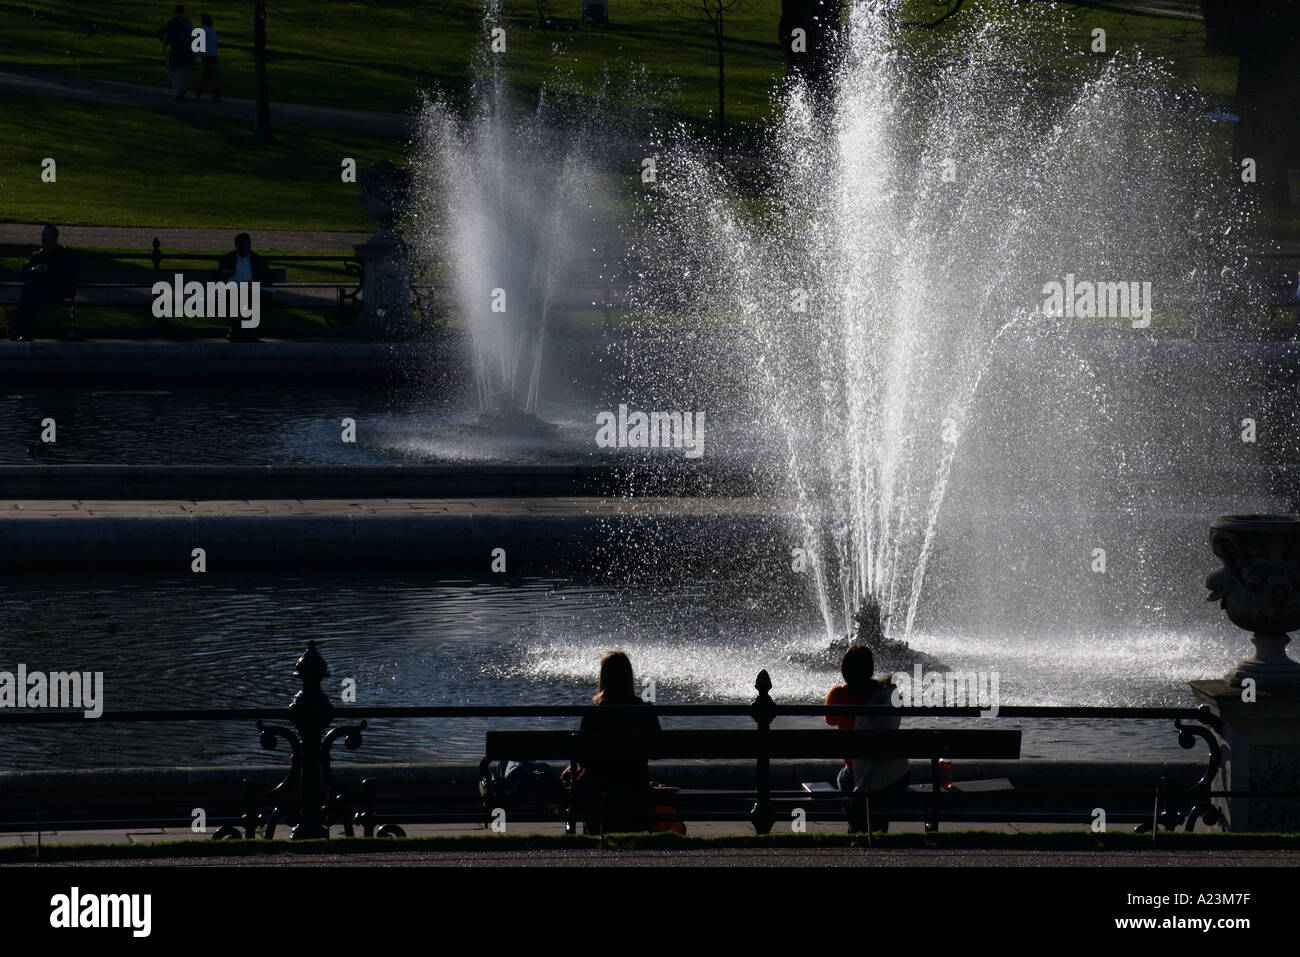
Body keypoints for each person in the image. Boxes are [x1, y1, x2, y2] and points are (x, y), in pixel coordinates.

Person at [572, 651, 660, 834]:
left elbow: (583, 757)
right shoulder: (645, 710)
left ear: (603, 677)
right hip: (636, 786)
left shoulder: (593, 713)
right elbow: (657, 751)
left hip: (600, 790)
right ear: (629, 676)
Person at [825, 644, 910, 832]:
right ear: (870, 668)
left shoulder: (839, 695)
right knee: (875, 777)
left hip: (858, 774)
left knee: (843, 777)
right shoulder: (883, 693)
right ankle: (878, 826)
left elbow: (830, 720)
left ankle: (856, 827)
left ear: (844, 670)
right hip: (894, 776)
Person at [11, 225, 76, 341]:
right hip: (40, 292)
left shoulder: (64, 254)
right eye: (43, 236)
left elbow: (69, 273)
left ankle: (24, 330)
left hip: (57, 290)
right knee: (30, 292)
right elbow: (22, 274)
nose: (43, 239)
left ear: (55, 238)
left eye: (47, 236)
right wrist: (34, 270)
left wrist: (49, 269)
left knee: (29, 292)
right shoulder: (37, 255)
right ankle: (26, 331)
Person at [216, 233, 274, 341]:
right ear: (236, 246)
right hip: (234, 289)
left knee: (249, 296)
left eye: (245, 245)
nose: (243, 248)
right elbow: (218, 277)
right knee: (239, 296)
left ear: (249, 245)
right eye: (240, 245)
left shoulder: (258, 261)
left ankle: (239, 330)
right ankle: (247, 330)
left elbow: (267, 277)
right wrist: (226, 275)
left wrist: (256, 283)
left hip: (252, 289)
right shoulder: (228, 259)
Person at [161, 5, 195, 100]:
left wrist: (163, 47)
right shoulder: (188, 23)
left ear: (175, 12)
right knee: (184, 70)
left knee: (170, 69)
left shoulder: (172, 22)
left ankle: (181, 88)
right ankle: (182, 90)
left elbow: (167, 35)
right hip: (187, 49)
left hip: (176, 49)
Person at [194, 12, 221, 100]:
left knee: (208, 74)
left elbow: (200, 44)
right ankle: (200, 92)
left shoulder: (202, 30)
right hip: (214, 55)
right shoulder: (213, 31)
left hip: (207, 55)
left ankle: (202, 92)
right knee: (209, 74)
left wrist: (196, 55)